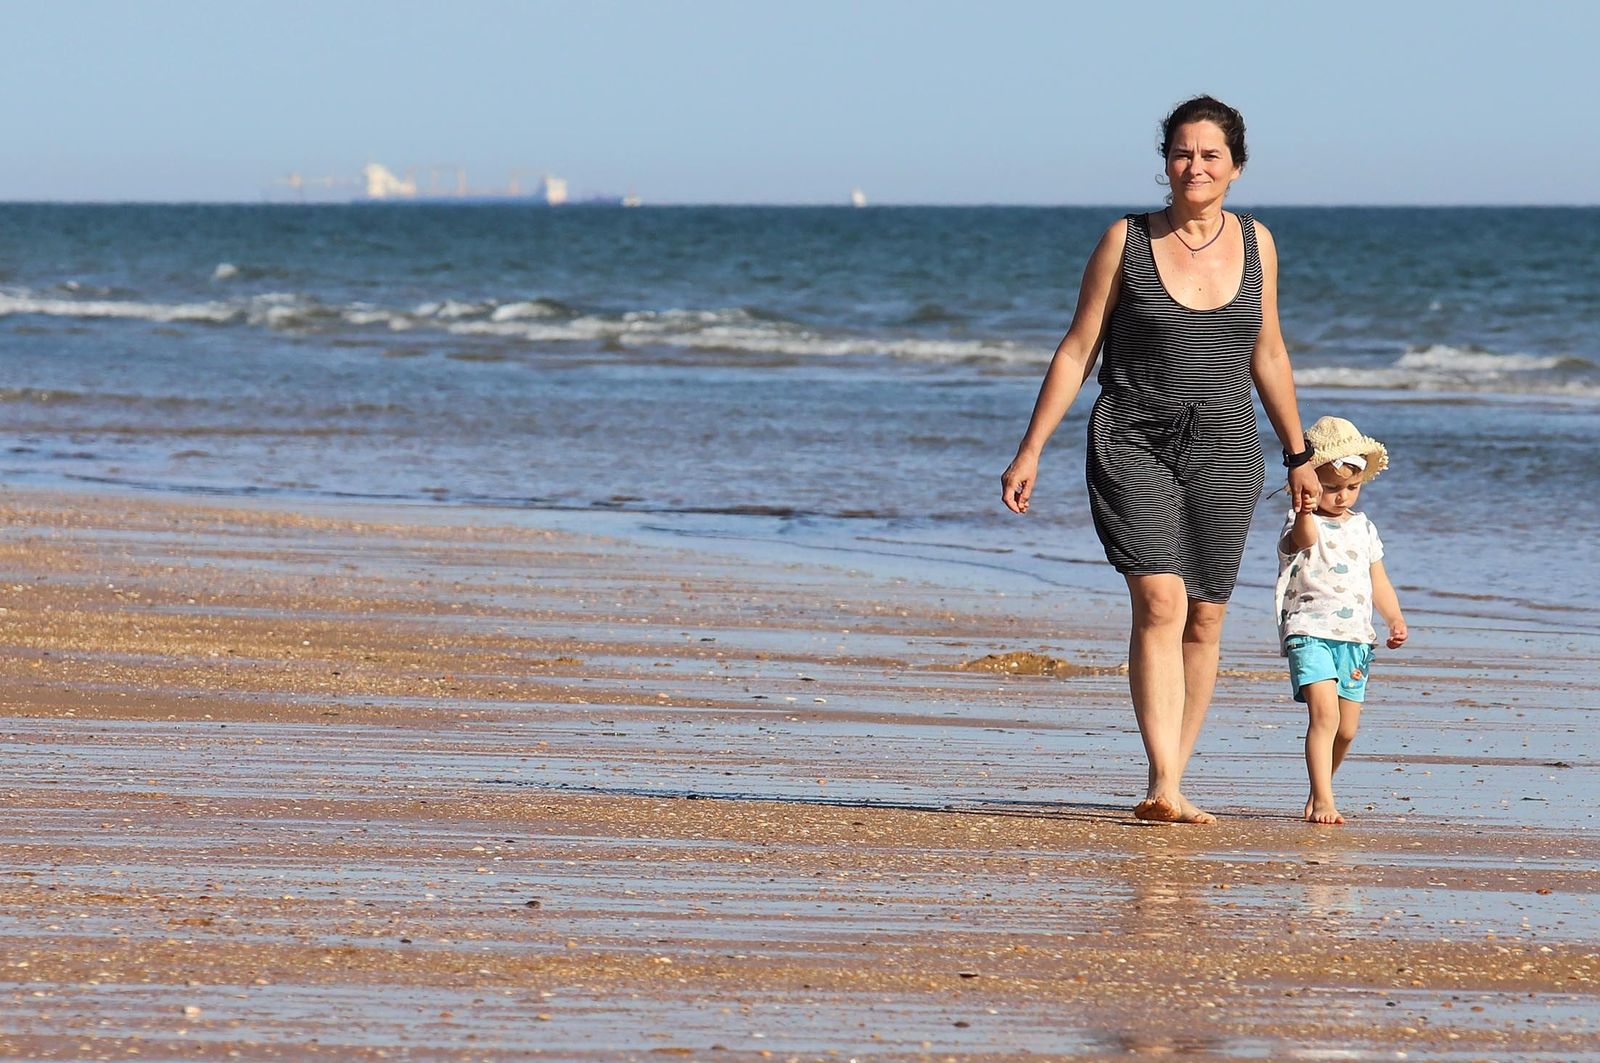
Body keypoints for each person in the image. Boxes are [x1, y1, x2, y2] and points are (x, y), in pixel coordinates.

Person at [1000, 95, 1321, 824]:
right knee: (1160, 600)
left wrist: (1298, 451)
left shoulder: (1258, 243)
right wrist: (1030, 449)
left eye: (1211, 154)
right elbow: (1078, 348)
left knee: (1205, 614)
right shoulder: (1125, 241)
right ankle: (1164, 783)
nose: (1194, 166)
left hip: (1227, 444)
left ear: (1236, 167)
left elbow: (1267, 352)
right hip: (1132, 436)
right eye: (1182, 152)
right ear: (1165, 163)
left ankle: (1174, 772)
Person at [1276, 416, 1408, 825]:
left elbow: (1378, 580)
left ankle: (1319, 793)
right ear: (1311, 482)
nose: (1342, 496)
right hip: (1309, 631)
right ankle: (1326, 800)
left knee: (1347, 729)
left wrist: (1394, 618)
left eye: (1351, 487)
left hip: (1354, 637)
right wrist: (1304, 508)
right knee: (1325, 717)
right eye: (1331, 488)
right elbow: (1304, 542)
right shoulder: (1302, 522)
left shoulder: (1364, 528)